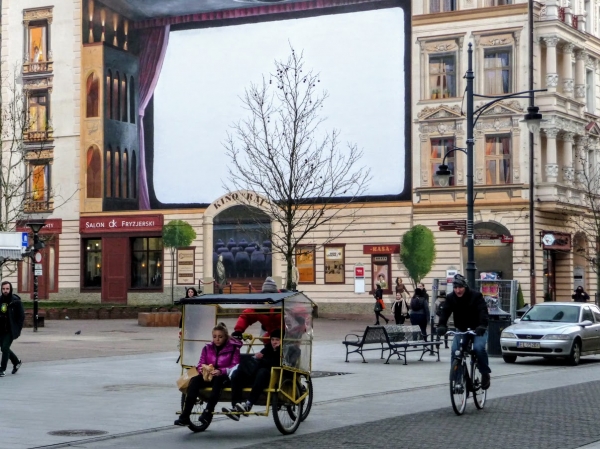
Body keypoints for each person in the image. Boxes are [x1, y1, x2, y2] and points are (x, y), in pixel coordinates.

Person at [174, 322, 242, 426]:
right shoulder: (207, 348)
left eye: (220, 337)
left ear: (226, 337)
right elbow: (200, 364)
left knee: (218, 381)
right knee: (195, 380)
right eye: (214, 337)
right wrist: (204, 370)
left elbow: (235, 366)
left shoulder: (233, 349)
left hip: (224, 376)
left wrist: (221, 371)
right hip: (208, 375)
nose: (217, 339)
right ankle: (185, 416)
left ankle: (208, 412)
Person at [437, 274, 491, 390]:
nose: (458, 290)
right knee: (455, 350)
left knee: (478, 348)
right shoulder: (451, 298)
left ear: (465, 286)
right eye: (455, 287)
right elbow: (445, 312)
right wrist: (441, 325)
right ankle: (457, 380)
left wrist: (482, 325)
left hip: (478, 329)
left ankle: (485, 373)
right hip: (462, 329)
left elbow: (483, 311)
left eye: (460, 287)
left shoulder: (476, 296)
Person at [223, 328, 282, 420]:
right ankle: (235, 407)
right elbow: (257, 358)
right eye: (272, 340)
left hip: (271, 376)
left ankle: (249, 404)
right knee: (236, 374)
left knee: (262, 372)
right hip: (256, 373)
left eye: (277, 340)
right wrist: (257, 357)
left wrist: (275, 351)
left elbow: (279, 363)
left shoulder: (285, 350)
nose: (274, 342)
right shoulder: (268, 348)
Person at [231, 277, 281, 341]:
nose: (269, 298)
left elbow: (296, 313)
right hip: (270, 336)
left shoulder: (284, 301)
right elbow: (246, 316)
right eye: (266, 295)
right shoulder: (259, 305)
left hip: (286, 335)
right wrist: (238, 331)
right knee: (265, 341)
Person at [0, 281, 24, 377]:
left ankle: (2, 369)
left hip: (10, 329)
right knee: (4, 348)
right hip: (1, 329)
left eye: (7, 289)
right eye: (3, 289)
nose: (5, 291)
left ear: (10, 289)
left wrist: (17, 328)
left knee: (5, 348)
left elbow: (21, 317)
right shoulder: (0, 300)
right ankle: (17, 362)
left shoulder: (15, 301)